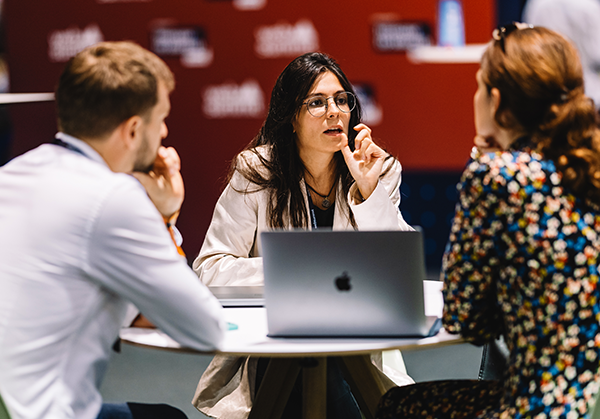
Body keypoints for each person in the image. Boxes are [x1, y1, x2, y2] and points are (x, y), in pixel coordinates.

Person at [375, 24, 600, 418]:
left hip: (542, 407)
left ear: (495, 100)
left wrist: (484, 162)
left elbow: (466, 319)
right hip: (589, 400)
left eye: (478, 85)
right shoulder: (587, 169)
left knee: (398, 405)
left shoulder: (497, 176)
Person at [0, 41, 226, 419]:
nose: (165, 131)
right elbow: (205, 328)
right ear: (134, 130)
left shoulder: (12, 174)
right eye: (161, 118)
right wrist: (167, 216)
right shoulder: (112, 196)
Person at [191, 52, 414, 418]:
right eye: (316, 102)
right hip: (276, 342)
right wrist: (293, 276)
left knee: (335, 374)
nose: (334, 111)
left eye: (342, 99)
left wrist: (368, 193)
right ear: (290, 118)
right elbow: (210, 269)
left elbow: (398, 269)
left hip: (357, 342)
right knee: (316, 376)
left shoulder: (378, 169)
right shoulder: (257, 171)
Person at [522, 0, 600, 115]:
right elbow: (598, 55)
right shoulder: (591, 3)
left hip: (548, 98)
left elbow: (528, 48)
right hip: (590, 98)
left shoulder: (537, 0)